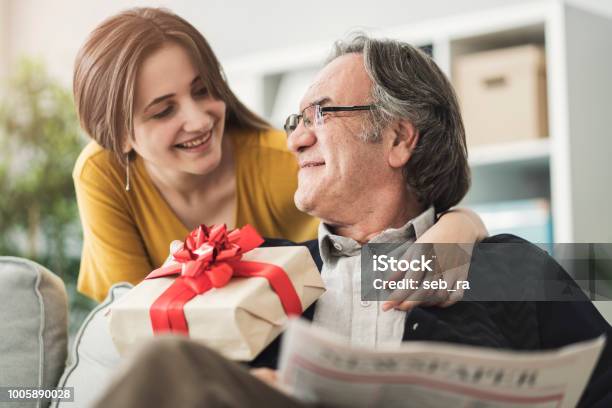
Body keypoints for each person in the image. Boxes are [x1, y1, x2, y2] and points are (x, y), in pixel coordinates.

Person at [92, 33, 612, 408]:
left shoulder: (512, 266)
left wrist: (467, 227)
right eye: (297, 121)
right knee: (164, 367)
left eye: (322, 114)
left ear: (398, 139)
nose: (294, 139)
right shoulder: (259, 268)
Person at [72, 8, 487, 302]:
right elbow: (129, 318)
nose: (198, 120)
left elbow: (396, 200)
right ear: (120, 137)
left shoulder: (283, 161)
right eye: (163, 110)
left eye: (203, 91)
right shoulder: (101, 172)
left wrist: (460, 225)